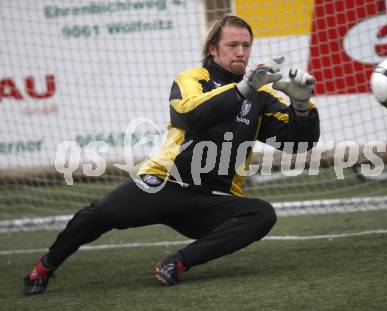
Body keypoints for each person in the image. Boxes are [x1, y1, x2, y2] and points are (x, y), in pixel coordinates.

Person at [23, 14, 320, 296]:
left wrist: (302, 105)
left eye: (246, 46)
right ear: (213, 50)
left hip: (213, 199)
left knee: (262, 214)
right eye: (232, 45)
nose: (241, 52)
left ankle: (177, 262)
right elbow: (194, 116)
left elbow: (296, 144)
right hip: (164, 183)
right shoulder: (191, 79)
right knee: (99, 214)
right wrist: (243, 88)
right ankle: (45, 266)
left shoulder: (261, 96)